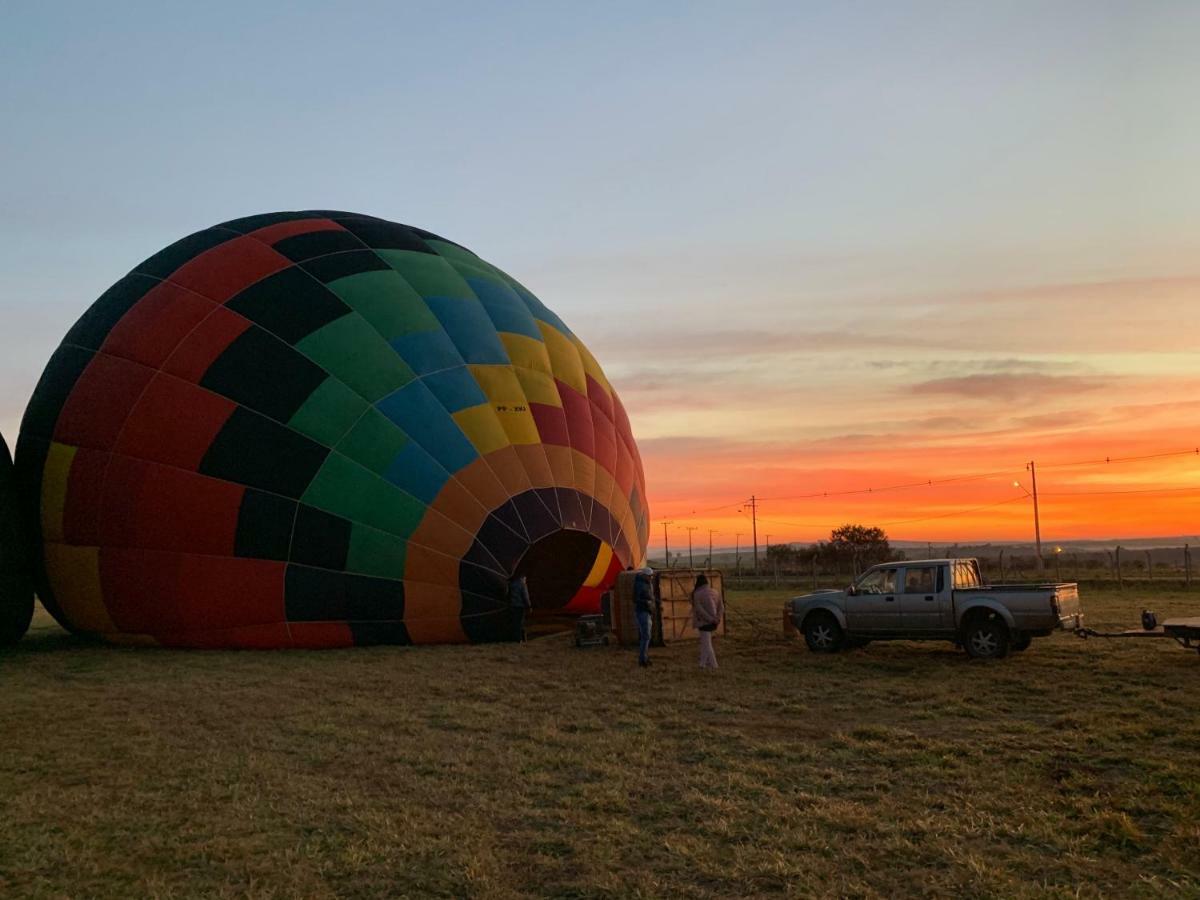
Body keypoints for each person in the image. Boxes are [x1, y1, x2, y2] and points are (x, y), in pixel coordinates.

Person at [691, 574, 723, 669]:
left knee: (706, 644)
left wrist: (710, 619)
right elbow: (721, 607)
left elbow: (700, 610)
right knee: (706, 643)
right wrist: (717, 618)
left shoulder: (697, 594)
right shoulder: (715, 592)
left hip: (703, 622)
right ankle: (703, 664)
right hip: (714, 622)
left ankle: (712, 664)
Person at [633, 567, 655, 667]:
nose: (651, 577)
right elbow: (635, 599)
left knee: (646, 637)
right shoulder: (640, 585)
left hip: (646, 611)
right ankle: (642, 659)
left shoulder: (647, 584)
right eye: (650, 576)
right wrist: (647, 602)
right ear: (645, 576)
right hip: (643, 612)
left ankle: (644, 657)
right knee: (645, 636)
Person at [507, 575, 531, 642]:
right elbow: (525, 596)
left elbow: (508, 595)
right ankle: (520, 639)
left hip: (513, 606)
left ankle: (516, 638)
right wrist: (529, 606)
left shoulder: (511, 585)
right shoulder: (522, 585)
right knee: (521, 623)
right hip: (520, 606)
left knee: (515, 622)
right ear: (523, 578)